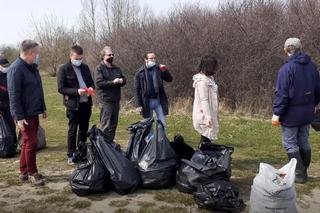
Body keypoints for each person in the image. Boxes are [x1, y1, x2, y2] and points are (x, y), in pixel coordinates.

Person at [272, 37, 320, 183]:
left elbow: (281, 94)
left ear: (286, 50)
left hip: (291, 114)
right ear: (300, 48)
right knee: (304, 141)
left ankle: (298, 174)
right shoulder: (312, 66)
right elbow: (318, 89)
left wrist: (277, 113)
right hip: (307, 112)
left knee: (290, 143)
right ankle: (303, 169)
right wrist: (314, 104)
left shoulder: (286, 69)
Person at [7, 39, 47, 186]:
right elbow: (13, 95)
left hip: (33, 111)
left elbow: (37, 88)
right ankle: (32, 173)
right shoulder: (16, 69)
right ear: (30, 53)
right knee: (31, 142)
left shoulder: (31, 68)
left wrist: (43, 108)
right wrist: (18, 117)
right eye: (36, 53)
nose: (38, 56)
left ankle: (23, 172)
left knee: (27, 142)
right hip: (23, 114)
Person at [57, 45, 94, 165]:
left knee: (83, 129)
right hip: (73, 104)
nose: (79, 61)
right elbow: (61, 88)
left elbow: (92, 83)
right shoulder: (64, 69)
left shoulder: (85, 67)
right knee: (73, 130)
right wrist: (76, 91)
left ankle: (81, 152)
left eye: (81, 58)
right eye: (77, 58)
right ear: (71, 56)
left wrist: (90, 88)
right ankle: (71, 154)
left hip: (86, 103)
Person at [95, 46, 126, 142]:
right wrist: (113, 82)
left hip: (116, 99)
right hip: (106, 100)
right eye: (109, 55)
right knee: (105, 125)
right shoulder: (99, 68)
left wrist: (122, 80)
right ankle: (103, 147)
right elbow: (99, 83)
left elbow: (124, 79)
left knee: (113, 124)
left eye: (112, 54)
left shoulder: (116, 68)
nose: (111, 56)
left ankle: (110, 144)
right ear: (103, 56)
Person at [134, 52, 172, 128]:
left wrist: (165, 70)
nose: (154, 60)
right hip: (147, 102)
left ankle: (162, 140)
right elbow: (136, 90)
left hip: (158, 100)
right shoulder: (139, 72)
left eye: (155, 58)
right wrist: (138, 105)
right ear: (146, 59)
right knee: (148, 125)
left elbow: (169, 79)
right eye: (151, 58)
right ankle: (149, 140)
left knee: (162, 124)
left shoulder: (159, 69)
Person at [192, 55, 219, 145]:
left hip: (210, 112)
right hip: (203, 114)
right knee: (206, 137)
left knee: (208, 138)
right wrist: (208, 117)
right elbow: (204, 100)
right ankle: (201, 157)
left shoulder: (210, 79)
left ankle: (203, 156)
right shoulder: (202, 81)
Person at [0, 57, 17, 153]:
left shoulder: (10, 75)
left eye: (7, 66)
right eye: (4, 66)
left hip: (9, 106)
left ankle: (12, 146)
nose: (6, 68)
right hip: (1, 106)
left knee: (11, 126)